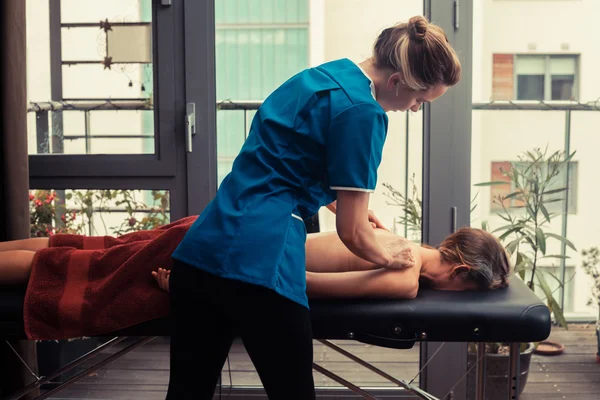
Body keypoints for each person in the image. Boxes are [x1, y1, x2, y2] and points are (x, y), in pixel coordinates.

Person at [167, 15, 462, 399]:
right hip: (261, 260)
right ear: (396, 82)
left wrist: (340, 200)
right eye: (419, 100)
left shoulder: (323, 76)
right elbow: (353, 234)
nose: (415, 109)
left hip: (204, 247)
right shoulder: (364, 112)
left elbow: (288, 155)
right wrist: (389, 257)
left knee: (188, 393)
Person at [0, 222, 510, 296]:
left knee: (106, 248)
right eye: (470, 287)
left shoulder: (395, 236)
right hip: (234, 252)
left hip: (240, 226)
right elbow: (300, 283)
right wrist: (203, 287)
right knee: (89, 271)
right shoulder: (406, 278)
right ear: (464, 271)